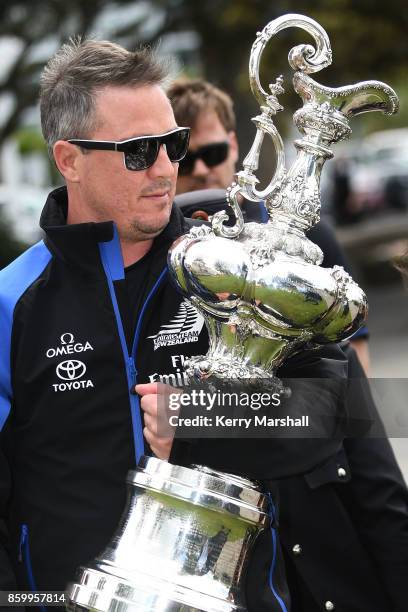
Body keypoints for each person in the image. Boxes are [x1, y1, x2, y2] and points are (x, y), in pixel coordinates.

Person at [0, 39, 355, 612]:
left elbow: (338, 413)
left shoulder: (235, 265)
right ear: (69, 160)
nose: (168, 169)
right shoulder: (11, 301)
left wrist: (198, 421)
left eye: (172, 144)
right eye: (139, 151)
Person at [168, 77, 408, 611]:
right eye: (187, 158)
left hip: (324, 484)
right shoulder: (171, 265)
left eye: (214, 151)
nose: (203, 169)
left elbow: (353, 366)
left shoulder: (311, 242)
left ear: (240, 143)